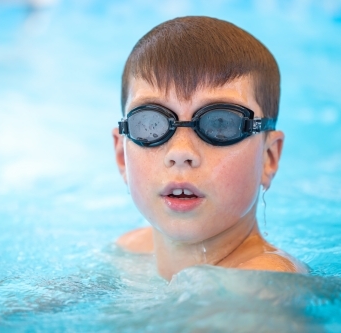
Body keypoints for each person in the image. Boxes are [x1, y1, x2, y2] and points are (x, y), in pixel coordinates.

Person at [112, 16, 307, 280]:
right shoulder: (129, 251)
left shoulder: (265, 282)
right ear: (123, 156)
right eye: (151, 123)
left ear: (268, 157)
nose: (180, 152)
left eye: (221, 124)